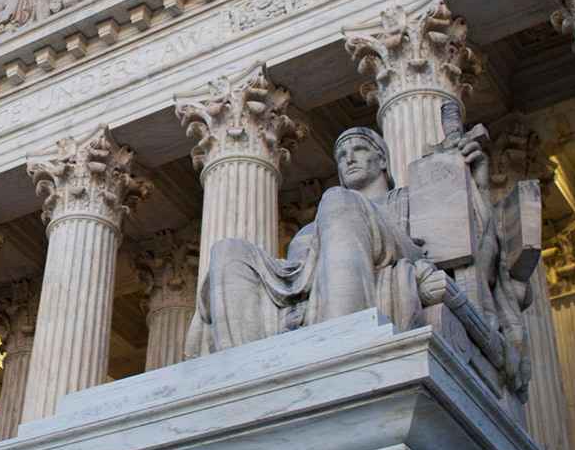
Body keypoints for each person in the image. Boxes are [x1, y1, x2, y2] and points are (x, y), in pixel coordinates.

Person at [186, 126, 492, 356]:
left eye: (358, 149)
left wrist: (473, 186)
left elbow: (469, 251)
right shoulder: (317, 224)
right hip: (309, 280)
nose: (349, 159)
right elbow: (298, 274)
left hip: (402, 256)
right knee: (228, 251)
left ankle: (338, 349)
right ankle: (246, 370)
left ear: (382, 159)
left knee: (339, 202)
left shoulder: (407, 200)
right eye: (342, 156)